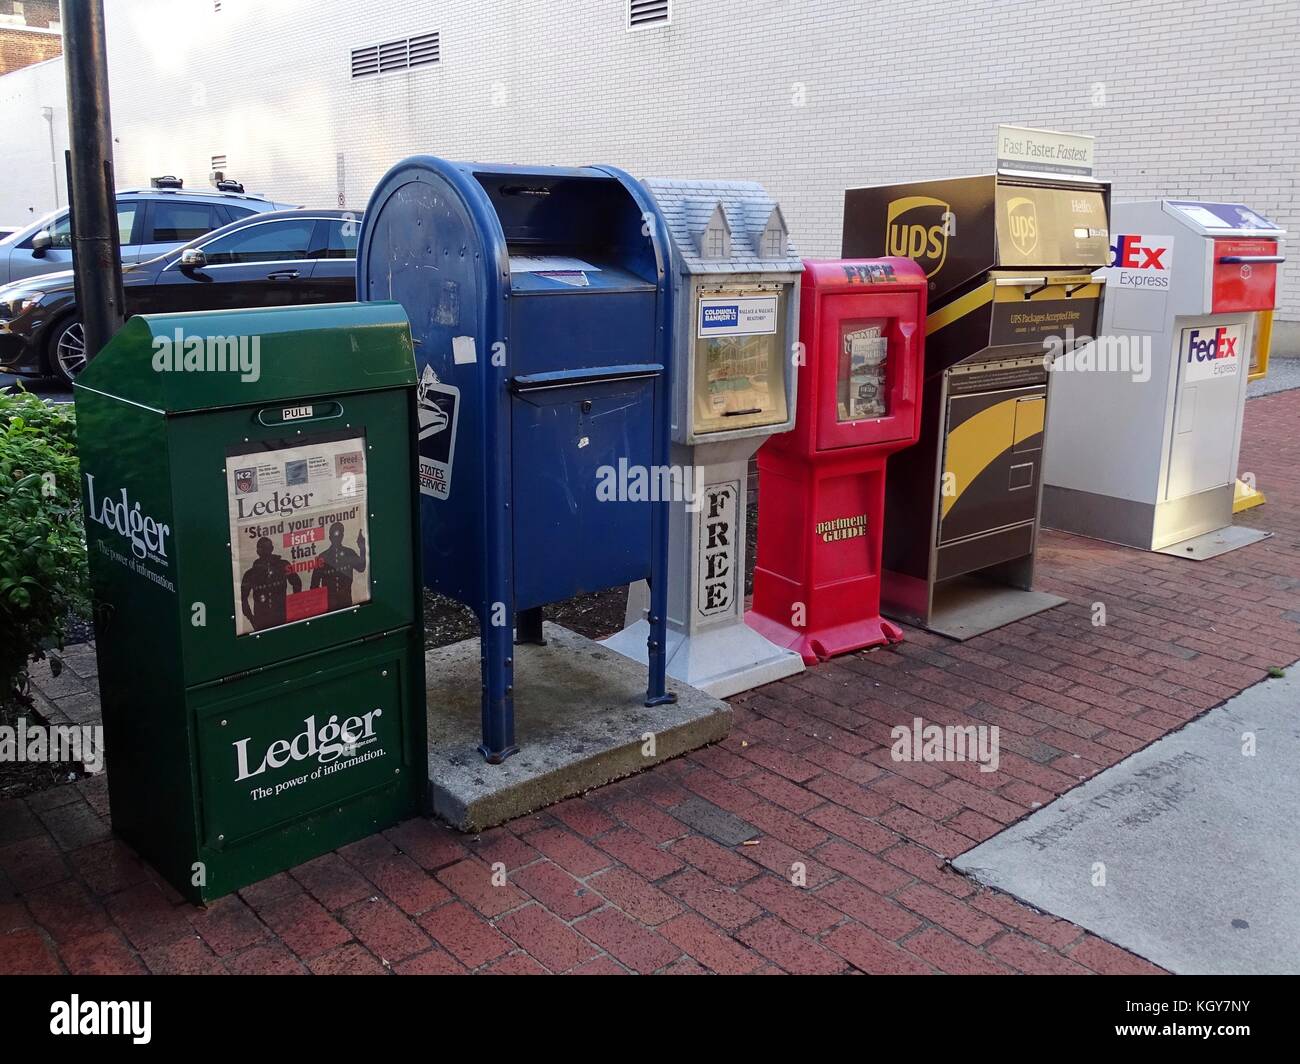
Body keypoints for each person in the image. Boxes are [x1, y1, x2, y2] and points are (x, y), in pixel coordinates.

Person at [240, 537, 302, 631]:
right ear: (258, 551)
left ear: (272, 549)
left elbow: (297, 583)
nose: (265, 551)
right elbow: (243, 598)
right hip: (261, 621)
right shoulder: (250, 574)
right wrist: (252, 619)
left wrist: (293, 608)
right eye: (262, 548)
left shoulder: (283, 565)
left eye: (267, 548)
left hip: (282, 617)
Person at [310, 522, 367, 610]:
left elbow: (361, 568)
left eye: (339, 535)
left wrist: (362, 548)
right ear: (330, 538)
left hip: (347, 602)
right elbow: (314, 586)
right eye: (334, 535)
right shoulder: (322, 557)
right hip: (328, 605)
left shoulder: (349, 553)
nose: (337, 538)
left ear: (342, 536)